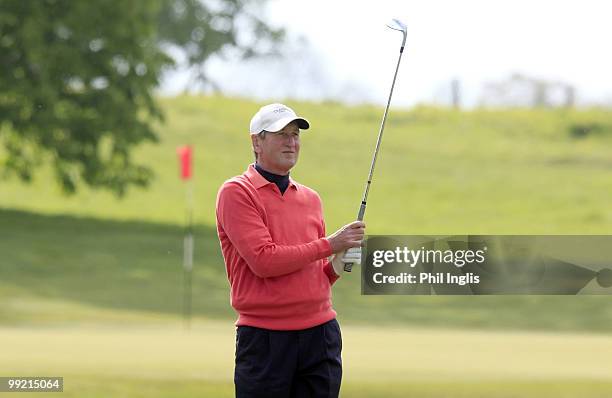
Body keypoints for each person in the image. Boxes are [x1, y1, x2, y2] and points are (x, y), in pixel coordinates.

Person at [215, 103, 365, 397]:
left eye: (295, 134)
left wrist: (336, 262)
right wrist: (330, 244)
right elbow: (264, 261)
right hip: (265, 340)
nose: (291, 141)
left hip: (320, 335)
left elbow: (314, 272)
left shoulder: (311, 198)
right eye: (281, 134)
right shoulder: (236, 192)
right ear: (256, 142)